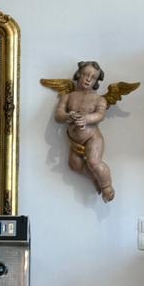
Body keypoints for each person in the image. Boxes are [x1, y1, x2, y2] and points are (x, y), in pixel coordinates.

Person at [54, 60, 116, 202]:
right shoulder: (68, 96)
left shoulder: (99, 99)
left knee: (94, 162)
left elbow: (100, 115)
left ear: (96, 81)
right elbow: (58, 115)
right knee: (74, 165)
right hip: (74, 141)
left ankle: (107, 187)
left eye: (93, 77)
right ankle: (95, 177)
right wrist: (68, 116)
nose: (88, 79)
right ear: (78, 74)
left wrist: (86, 119)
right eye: (86, 75)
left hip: (92, 139)